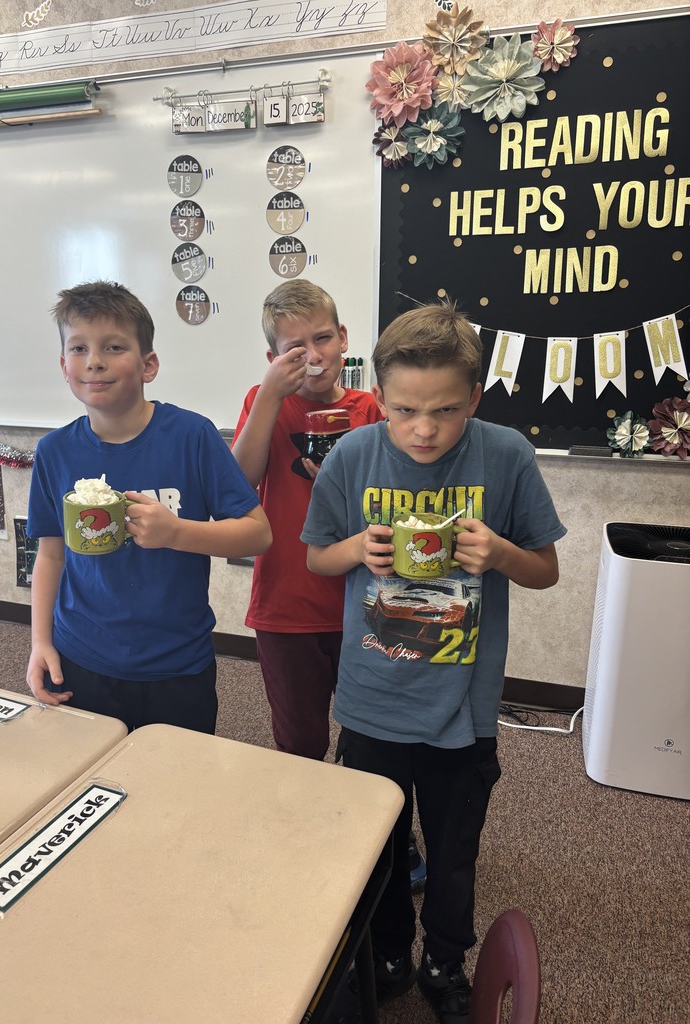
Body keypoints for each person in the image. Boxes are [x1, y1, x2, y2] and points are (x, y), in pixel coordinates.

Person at [301, 299, 566, 1023]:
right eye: (406, 409)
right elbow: (318, 555)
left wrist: (502, 554)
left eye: (446, 411)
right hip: (371, 698)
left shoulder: (505, 454)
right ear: (379, 396)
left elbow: (545, 569)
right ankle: (386, 953)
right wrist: (357, 549)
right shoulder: (354, 455)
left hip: (464, 707)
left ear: (474, 398)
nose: (424, 429)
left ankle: (445, 962)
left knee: (452, 853)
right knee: (376, 850)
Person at [26, 280, 272, 734]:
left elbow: (258, 533)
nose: (94, 360)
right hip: (83, 656)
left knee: (174, 792)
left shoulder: (192, 436)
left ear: (148, 364)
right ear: (64, 367)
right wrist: (40, 641)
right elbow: (51, 555)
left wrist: (178, 533)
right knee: (90, 783)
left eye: (113, 346)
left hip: (177, 665)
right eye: (78, 348)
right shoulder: (54, 451)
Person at [231, 280, 384, 761]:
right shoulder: (264, 401)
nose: (313, 356)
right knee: (299, 741)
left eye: (321, 339)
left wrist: (340, 485)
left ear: (342, 337)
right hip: (286, 604)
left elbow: (392, 500)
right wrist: (271, 398)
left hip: (362, 603)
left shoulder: (370, 410)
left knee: (370, 736)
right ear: (273, 356)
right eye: (295, 347)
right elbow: (239, 485)